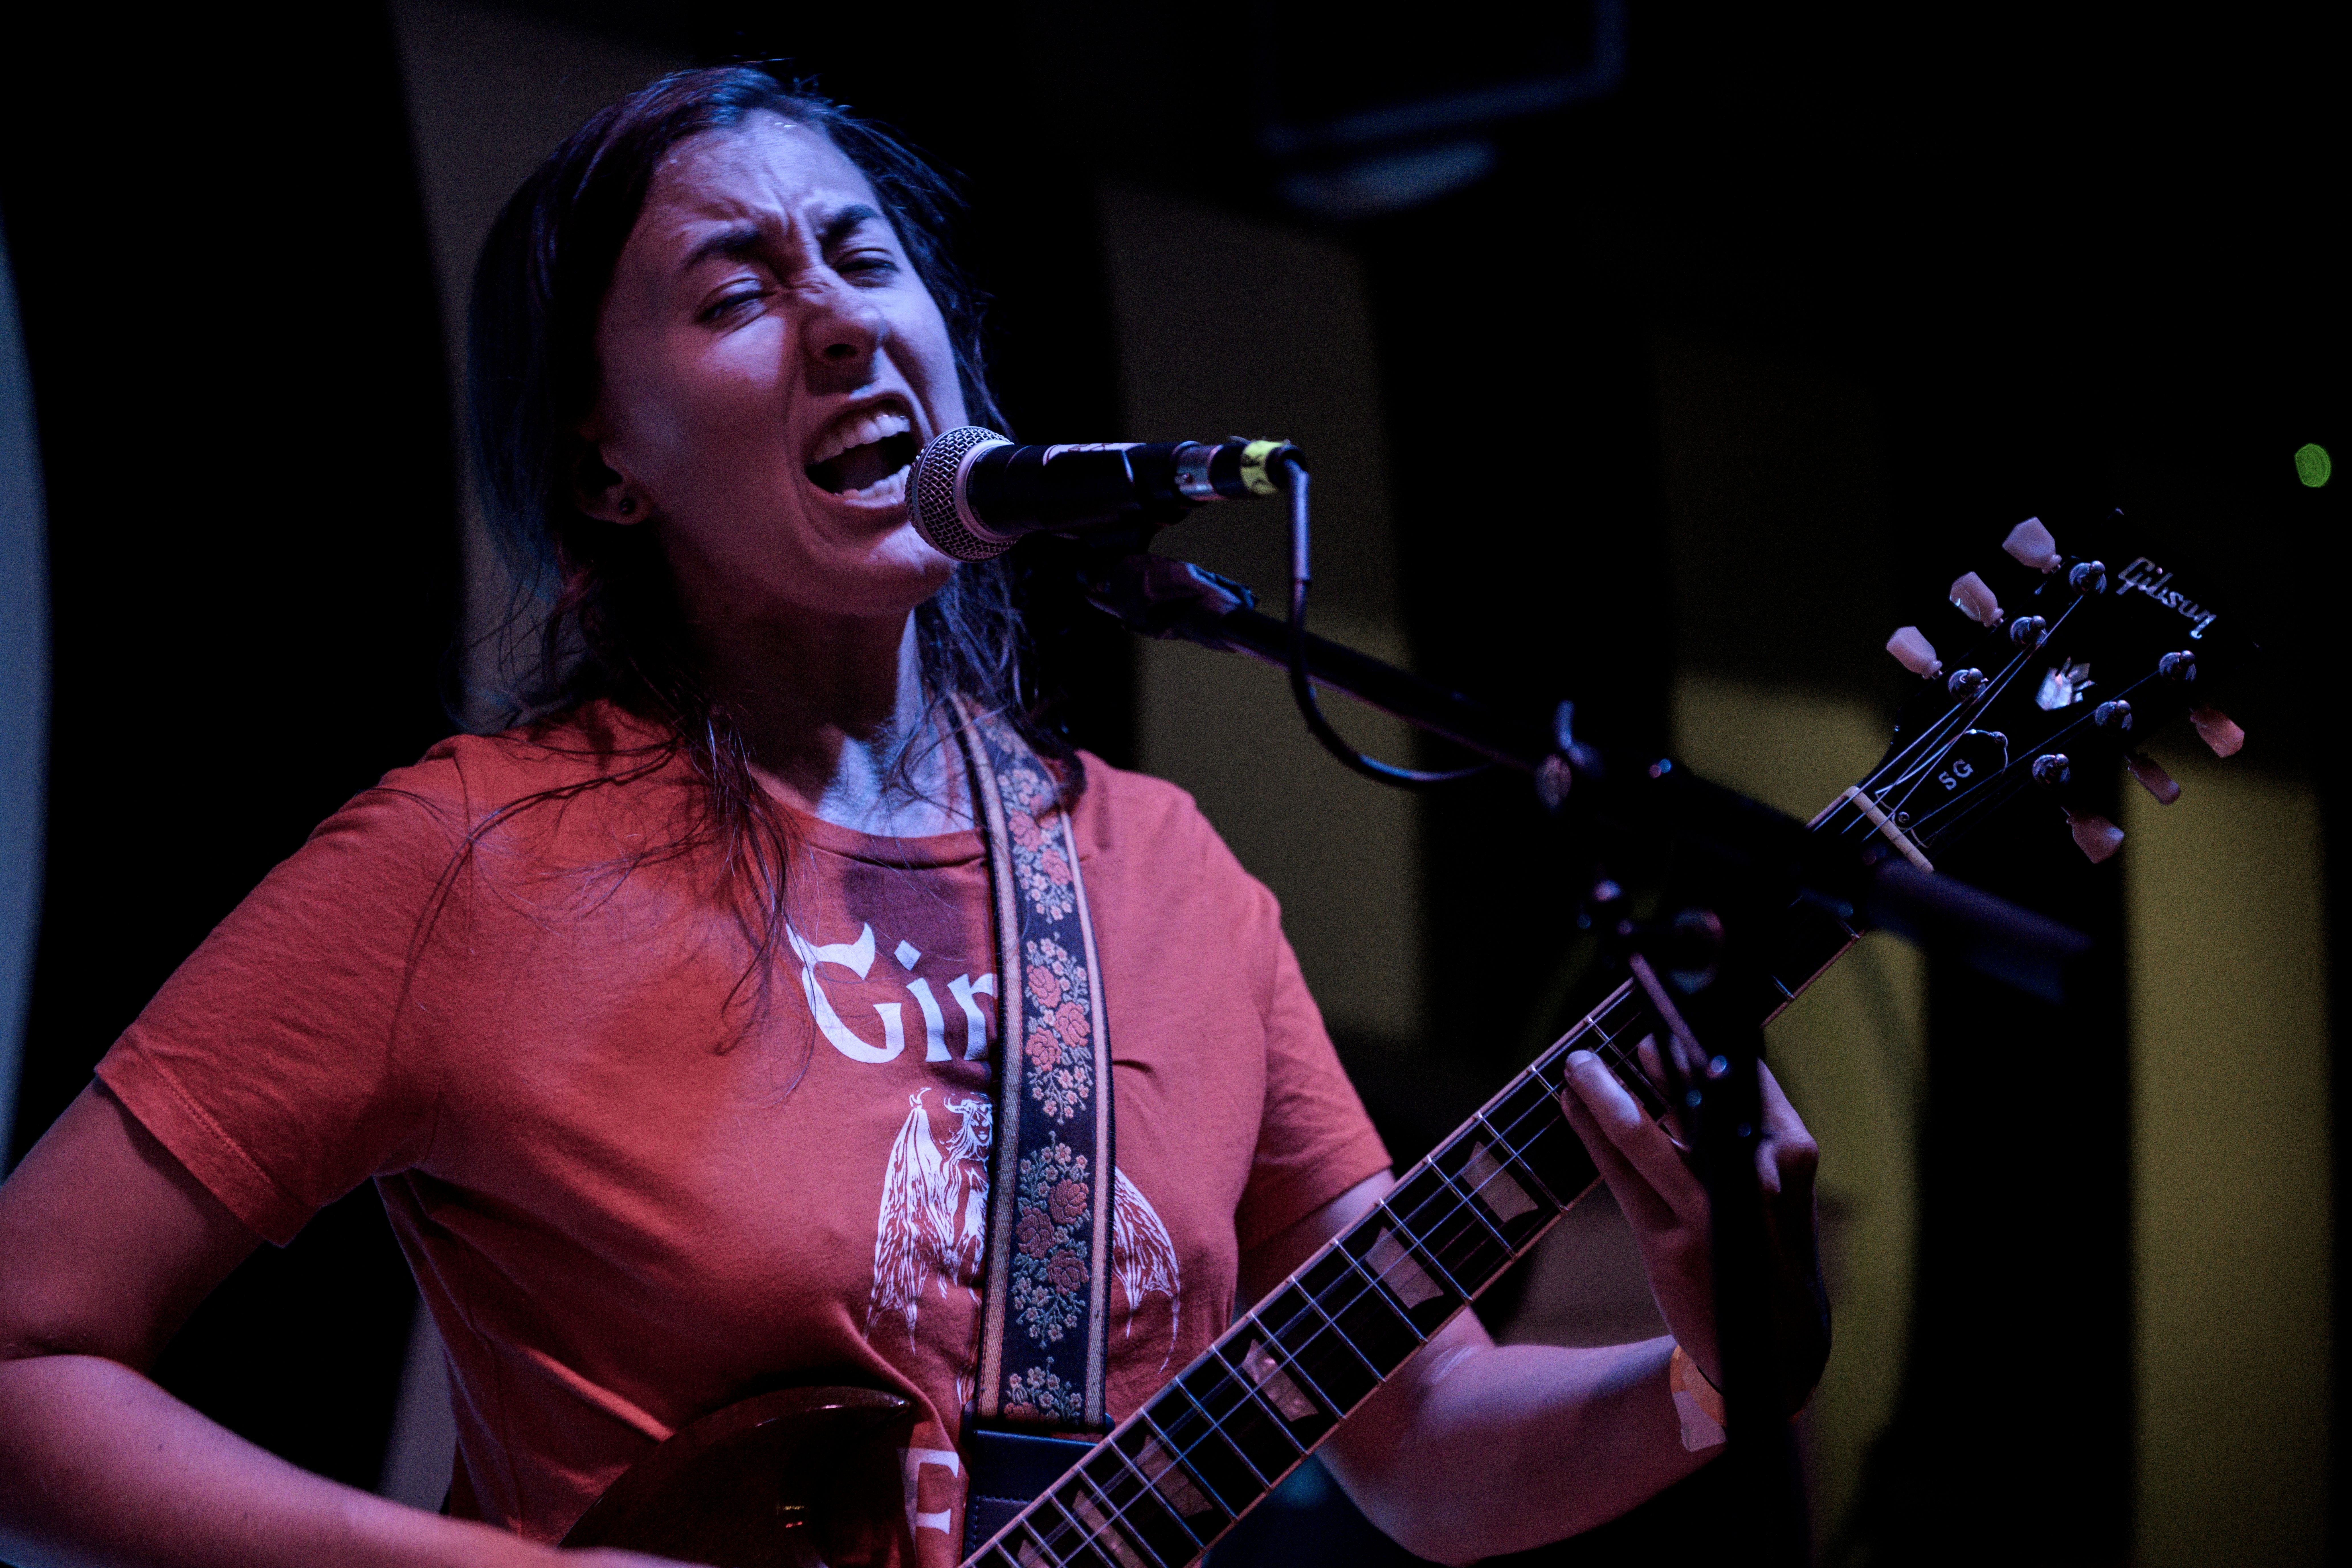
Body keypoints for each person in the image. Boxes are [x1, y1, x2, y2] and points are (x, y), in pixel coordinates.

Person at [0, 66, 1826, 1568]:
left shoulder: (1161, 877)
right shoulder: (475, 860)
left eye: (864, 259)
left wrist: (1721, 1370)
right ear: (603, 469)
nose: (840, 323)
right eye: (735, 293)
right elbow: (26, 1358)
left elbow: (1427, 1446)